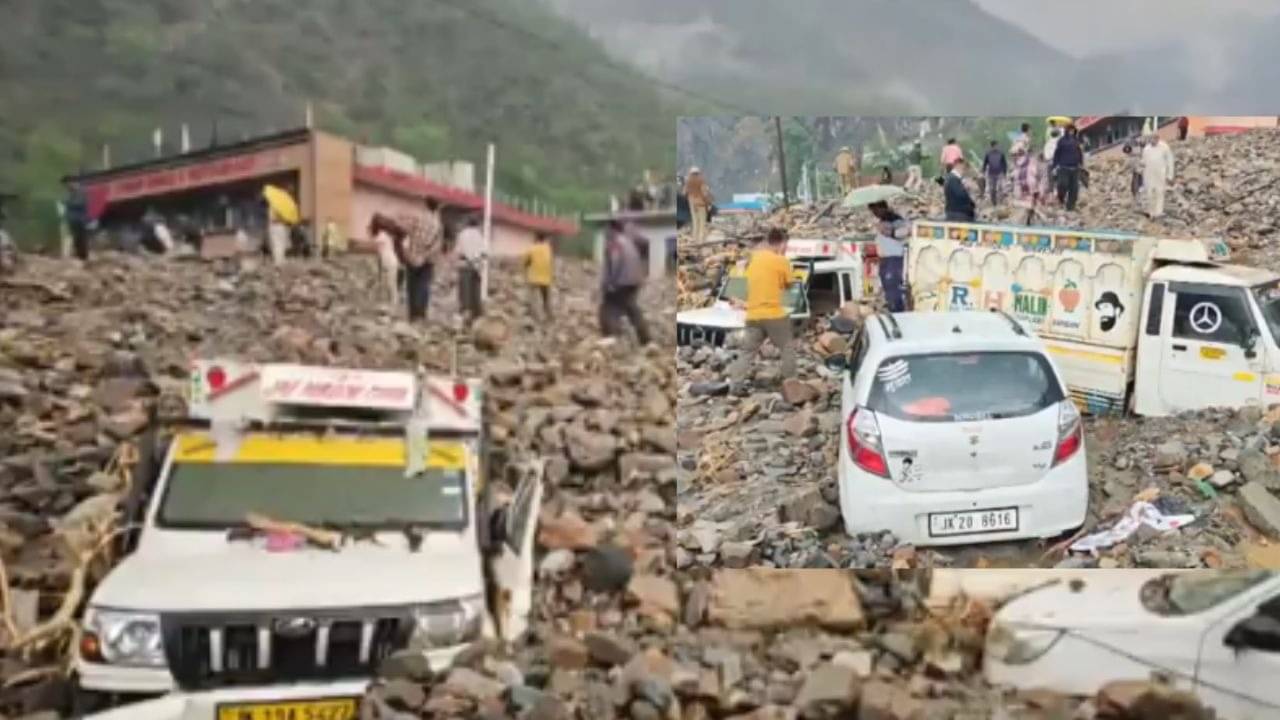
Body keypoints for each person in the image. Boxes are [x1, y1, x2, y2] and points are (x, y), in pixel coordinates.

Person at [729, 227, 795, 388]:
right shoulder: (781, 261)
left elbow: (741, 287)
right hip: (774, 315)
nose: (785, 249)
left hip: (753, 315)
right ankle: (791, 383)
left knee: (746, 352)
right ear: (782, 243)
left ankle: (735, 385)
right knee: (787, 348)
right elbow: (789, 285)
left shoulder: (753, 260)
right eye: (786, 246)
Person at [390, 200, 444, 322]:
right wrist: (424, 256)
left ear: (425, 205)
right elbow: (437, 246)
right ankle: (421, 314)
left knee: (412, 287)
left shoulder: (417, 218)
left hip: (412, 257)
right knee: (423, 286)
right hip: (427, 260)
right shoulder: (438, 225)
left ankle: (412, 315)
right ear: (436, 208)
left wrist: (407, 253)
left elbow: (404, 232)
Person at [599, 220, 651, 347]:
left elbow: (615, 262)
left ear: (612, 230)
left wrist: (610, 283)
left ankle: (611, 335)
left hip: (622, 282)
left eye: (607, 230)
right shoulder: (628, 242)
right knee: (631, 308)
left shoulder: (615, 243)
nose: (606, 233)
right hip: (634, 281)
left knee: (608, 308)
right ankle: (645, 338)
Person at [869, 201, 910, 312]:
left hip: (894, 258)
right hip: (884, 259)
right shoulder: (881, 222)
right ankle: (893, 308)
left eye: (876, 210)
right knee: (888, 287)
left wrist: (891, 232)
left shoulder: (895, 219)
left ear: (883, 208)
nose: (875, 213)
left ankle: (898, 311)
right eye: (873, 211)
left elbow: (906, 231)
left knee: (893, 286)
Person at [368, 213, 403, 307]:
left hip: (390, 261)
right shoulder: (385, 235)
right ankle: (391, 301)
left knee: (390, 283)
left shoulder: (382, 235)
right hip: (388, 261)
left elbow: (372, 246)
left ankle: (394, 302)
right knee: (387, 282)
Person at [455, 214, 485, 323]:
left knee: (464, 292)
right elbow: (484, 253)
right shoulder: (480, 235)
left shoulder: (462, 234)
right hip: (476, 267)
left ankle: (465, 314)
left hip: (464, 265)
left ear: (467, 223)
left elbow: (458, 251)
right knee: (475, 291)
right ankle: (476, 315)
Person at [1010, 144, 1046, 225]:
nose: (1014, 157)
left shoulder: (1021, 163)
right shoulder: (1029, 162)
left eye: (1014, 155)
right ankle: (1032, 221)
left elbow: (1016, 177)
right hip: (1030, 189)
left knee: (1027, 209)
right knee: (1030, 208)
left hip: (1027, 190)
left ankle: (1031, 221)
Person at [1141, 134, 1176, 219]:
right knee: (1149, 193)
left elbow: (1170, 161)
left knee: (1160, 192)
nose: (1152, 141)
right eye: (1150, 139)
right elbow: (1144, 161)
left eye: (1154, 139)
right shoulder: (1146, 149)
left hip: (1160, 173)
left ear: (1157, 138)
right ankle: (1151, 212)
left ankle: (1159, 212)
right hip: (1149, 174)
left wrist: (1170, 175)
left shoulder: (1164, 147)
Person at [1052, 125, 1085, 211]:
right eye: (1070, 130)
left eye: (1073, 130)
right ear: (1067, 131)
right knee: (1063, 184)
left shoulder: (1076, 141)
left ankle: (1070, 208)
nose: (1071, 132)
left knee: (1074, 189)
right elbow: (1057, 153)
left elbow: (1079, 153)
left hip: (1075, 168)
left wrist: (1081, 163)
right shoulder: (1061, 141)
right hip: (1063, 168)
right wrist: (1054, 166)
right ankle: (1061, 198)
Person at [525, 233, 554, 318]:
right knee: (546, 298)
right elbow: (550, 262)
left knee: (533, 296)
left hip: (534, 277)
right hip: (546, 277)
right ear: (544, 239)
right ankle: (548, 313)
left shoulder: (532, 248)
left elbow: (526, 262)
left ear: (536, 238)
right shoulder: (548, 248)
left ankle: (535, 314)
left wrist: (525, 268)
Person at [684, 168, 713, 243]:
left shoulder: (688, 182)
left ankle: (695, 239)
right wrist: (709, 202)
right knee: (702, 222)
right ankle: (701, 240)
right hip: (701, 204)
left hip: (692, 204)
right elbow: (704, 193)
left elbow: (684, 193)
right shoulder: (701, 181)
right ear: (698, 173)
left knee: (695, 221)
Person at [64, 182, 90, 261]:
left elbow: (80, 203)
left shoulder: (81, 194)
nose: (70, 187)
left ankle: (83, 256)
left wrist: (69, 203)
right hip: (73, 220)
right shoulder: (69, 195)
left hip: (80, 220)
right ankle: (79, 255)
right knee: (76, 238)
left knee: (82, 238)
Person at [982, 140, 1008, 206]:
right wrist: (983, 171)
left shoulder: (1001, 153)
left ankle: (1001, 201)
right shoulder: (988, 154)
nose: (996, 147)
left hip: (999, 173)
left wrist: (1005, 172)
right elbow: (985, 163)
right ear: (992, 146)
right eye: (994, 146)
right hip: (991, 173)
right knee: (992, 189)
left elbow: (1004, 163)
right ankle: (994, 202)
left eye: (996, 146)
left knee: (1000, 187)